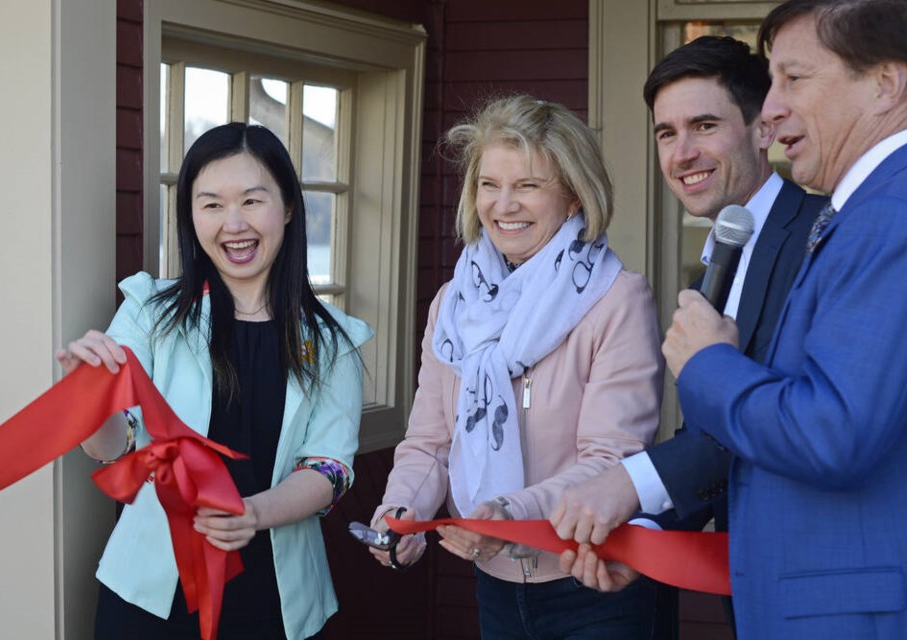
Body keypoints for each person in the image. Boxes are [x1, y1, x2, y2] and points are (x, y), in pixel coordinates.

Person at [56, 123, 373, 639]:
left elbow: (330, 467)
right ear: (190, 216)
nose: (233, 224)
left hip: (276, 599)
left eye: (252, 200)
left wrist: (253, 514)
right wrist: (90, 398)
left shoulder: (332, 340)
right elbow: (115, 447)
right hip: (151, 598)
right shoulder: (148, 314)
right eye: (211, 204)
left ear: (289, 207)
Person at [368, 94, 665, 638]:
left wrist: (510, 513)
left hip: (593, 583)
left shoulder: (617, 299)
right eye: (489, 185)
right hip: (496, 586)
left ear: (575, 197)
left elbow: (611, 460)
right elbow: (431, 442)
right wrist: (398, 514)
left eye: (527, 185)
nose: (504, 205)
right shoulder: (452, 305)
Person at [550, 35, 826, 610]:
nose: (682, 154)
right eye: (666, 133)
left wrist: (629, 483)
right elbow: (714, 429)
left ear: (763, 129)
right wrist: (649, 538)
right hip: (755, 585)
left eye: (704, 126)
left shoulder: (815, 239)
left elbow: (778, 419)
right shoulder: (720, 258)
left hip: (821, 578)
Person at [661, 1, 907, 637]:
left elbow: (832, 432)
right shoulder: (863, 213)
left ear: (885, 84)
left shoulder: (890, 215)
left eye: (794, 80)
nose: (770, 110)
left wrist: (709, 364)